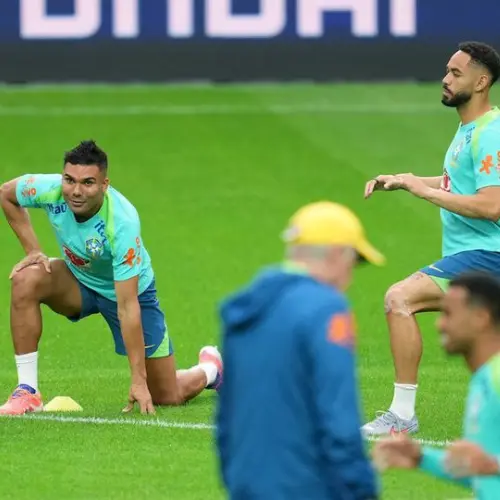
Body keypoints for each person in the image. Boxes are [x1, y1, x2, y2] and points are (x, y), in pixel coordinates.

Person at [0, 140, 222, 416]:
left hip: (129, 294)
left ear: (104, 185)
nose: (76, 191)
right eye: (69, 180)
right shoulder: (48, 189)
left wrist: (138, 380)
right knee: (26, 278)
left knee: (168, 395)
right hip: (79, 281)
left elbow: (127, 305)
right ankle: (27, 392)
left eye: (88, 183)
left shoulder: (122, 222)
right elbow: (6, 194)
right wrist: (33, 250)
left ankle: (211, 368)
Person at [362, 41, 500, 435]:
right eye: (447, 70)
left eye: (456, 73)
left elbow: (492, 205)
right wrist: (407, 180)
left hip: (487, 256)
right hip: (477, 255)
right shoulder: (470, 129)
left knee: (399, 298)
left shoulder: (490, 133)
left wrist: (423, 192)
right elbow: (458, 181)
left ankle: (402, 415)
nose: (445, 79)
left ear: (481, 82)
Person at [216, 201, 384, 500]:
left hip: (247, 484)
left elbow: (227, 415)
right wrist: (361, 486)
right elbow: (339, 414)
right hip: (307, 486)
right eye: (353, 262)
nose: (350, 277)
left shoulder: (247, 309)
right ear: (336, 254)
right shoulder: (327, 310)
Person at [373, 272, 500, 500]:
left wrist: (493, 464)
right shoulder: (483, 380)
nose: (439, 324)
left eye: (448, 314)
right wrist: (421, 458)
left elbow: (488, 466)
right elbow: (481, 472)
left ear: (480, 318)